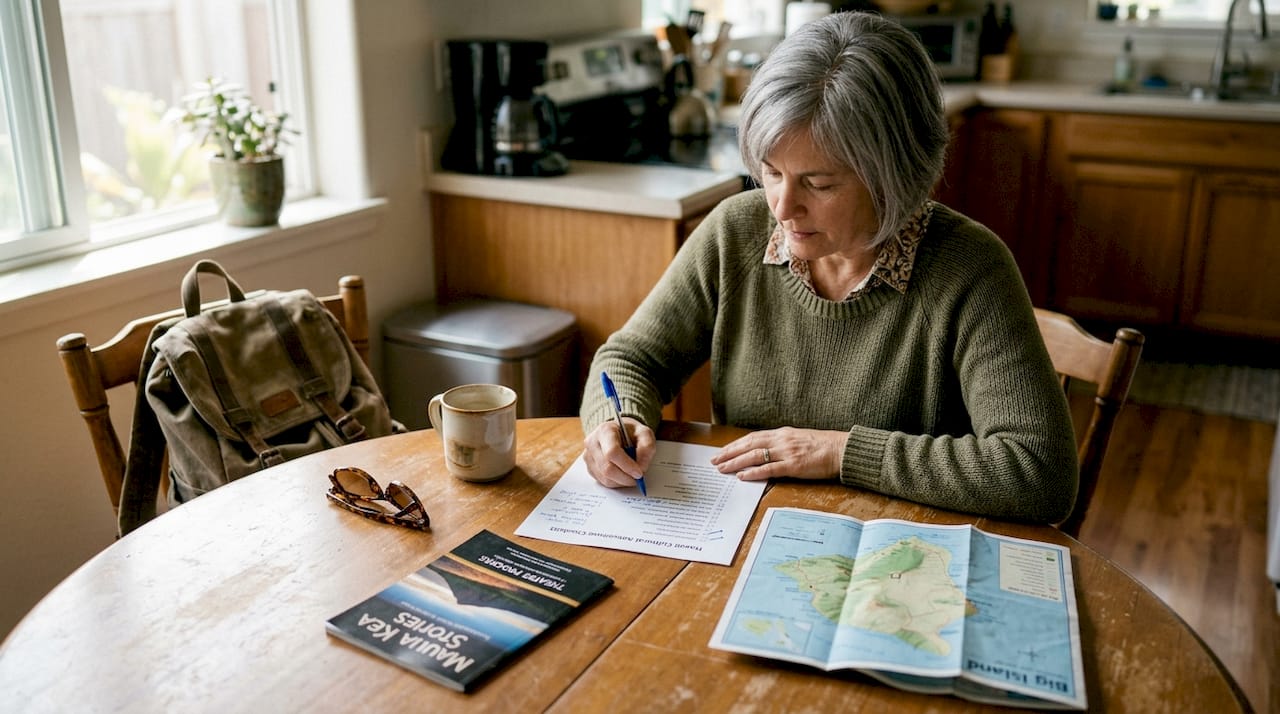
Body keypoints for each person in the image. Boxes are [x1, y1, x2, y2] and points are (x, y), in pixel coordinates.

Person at [579, 11, 1078, 524]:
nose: (782, 207)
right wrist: (617, 421)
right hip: (740, 530)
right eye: (771, 173)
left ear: (895, 176)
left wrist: (840, 452)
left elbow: (1040, 473)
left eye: (818, 184)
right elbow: (631, 358)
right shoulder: (735, 231)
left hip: (895, 549)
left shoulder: (970, 269)